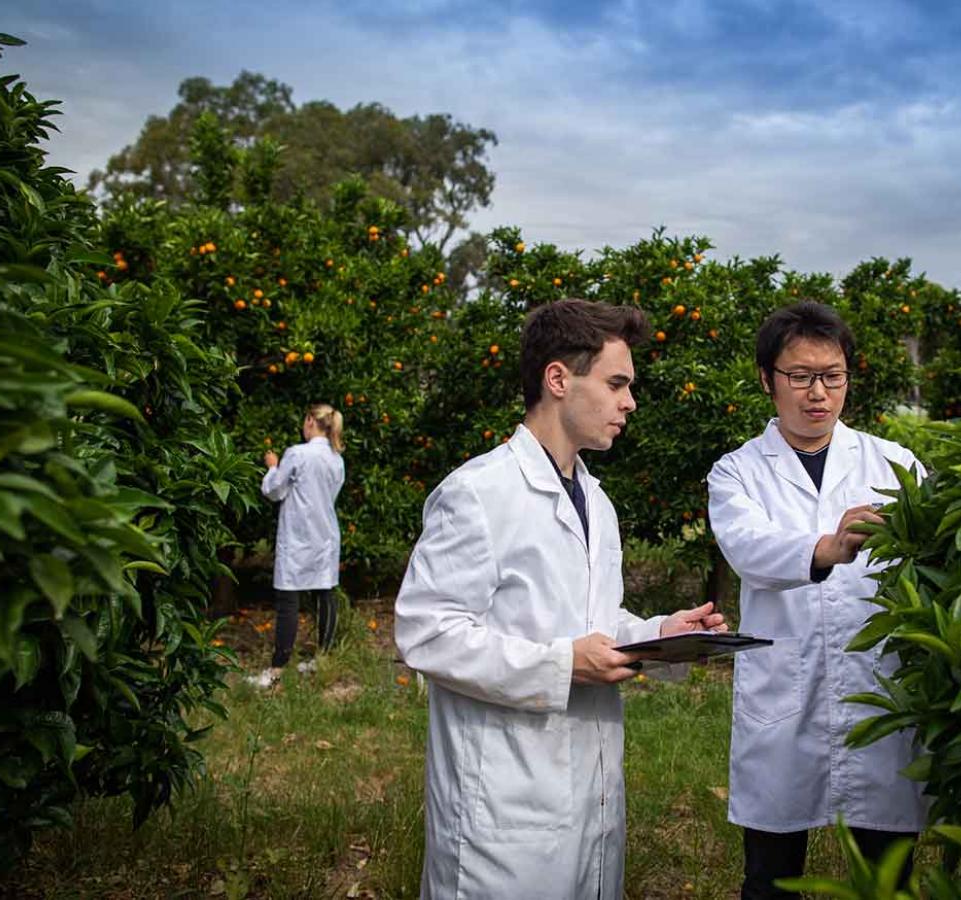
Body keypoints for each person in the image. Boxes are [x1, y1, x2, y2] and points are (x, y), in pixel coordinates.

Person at [395, 298, 727, 900]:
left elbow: (591, 621)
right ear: (558, 379)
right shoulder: (479, 493)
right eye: (616, 383)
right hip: (502, 801)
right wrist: (561, 664)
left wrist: (659, 633)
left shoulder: (596, 502)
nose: (630, 402)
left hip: (589, 793)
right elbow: (427, 633)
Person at [707, 302, 926, 899]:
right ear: (766, 380)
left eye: (832, 376)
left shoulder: (895, 464)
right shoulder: (737, 473)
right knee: (771, 878)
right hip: (785, 692)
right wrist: (828, 546)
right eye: (800, 377)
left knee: (887, 877)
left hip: (876, 690)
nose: (818, 393)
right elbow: (747, 548)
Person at [250, 403, 346, 688]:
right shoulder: (335, 459)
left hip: (298, 535)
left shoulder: (297, 454)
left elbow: (274, 490)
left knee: (288, 600)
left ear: (310, 422)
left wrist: (272, 467)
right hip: (325, 533)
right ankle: (323, 658)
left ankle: (278, 669)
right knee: (325, 595)